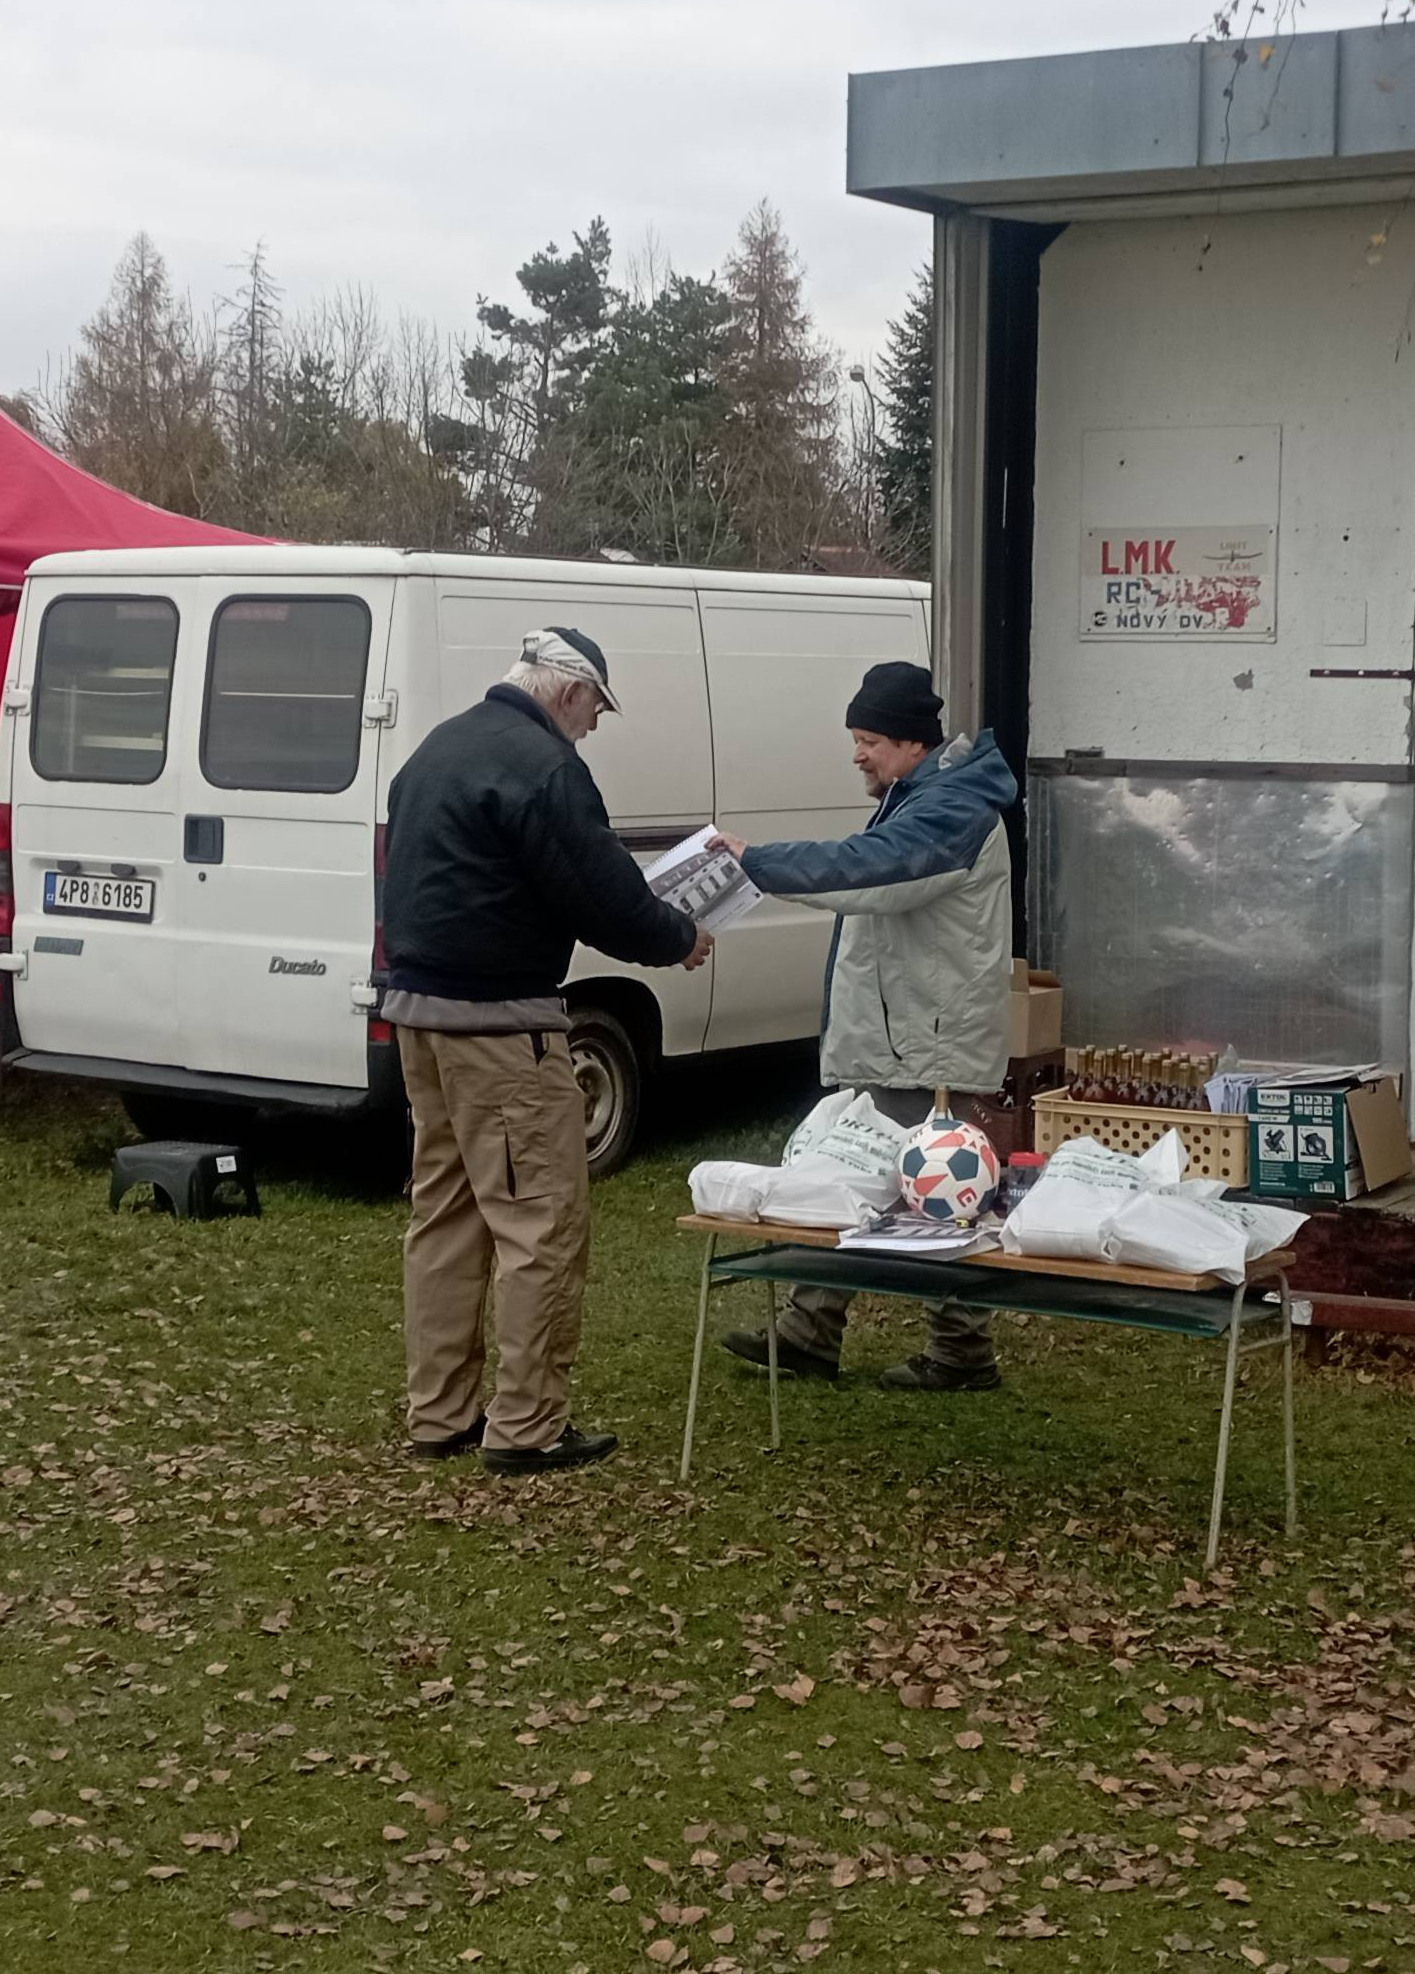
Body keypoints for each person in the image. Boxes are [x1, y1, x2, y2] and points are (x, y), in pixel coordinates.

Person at [379, 625, 709, 1473]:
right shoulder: (544, 767)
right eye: (597, 709)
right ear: (569, 691)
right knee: (541, 1221)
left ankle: (439, 1413)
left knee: (445, 1216)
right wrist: (678, 936)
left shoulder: (437, 749)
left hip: (419, 1019)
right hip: (500, 1030)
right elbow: (604, 898)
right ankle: (527, 1425)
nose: (594, 726)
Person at [718, 661, 1021, 1392]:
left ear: (913, 742)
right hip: (907, 1038)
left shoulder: (953, 808)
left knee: (937, 1192)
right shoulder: (923, 796)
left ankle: (957, 1350)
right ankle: (816, 1331)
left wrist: (759, 863)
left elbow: (872, 871)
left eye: (870, 740)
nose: (858, 754)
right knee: (857, 1179)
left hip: (928, 1047)